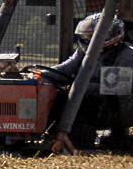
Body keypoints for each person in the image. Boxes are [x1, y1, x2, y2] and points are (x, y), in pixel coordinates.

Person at [41, 10, 133, 150]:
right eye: (85, 35)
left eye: (91, 36)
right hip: (91, 97)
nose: (87, 39)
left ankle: (83, 145)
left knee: (86, 96)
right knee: (58, 96)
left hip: (118, 107)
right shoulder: (83, 52)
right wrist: (38, 75)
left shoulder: (126, 55)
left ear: (109, 35)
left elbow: (118, 93)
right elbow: (64, 69)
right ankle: (43, 134)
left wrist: (79, 88)